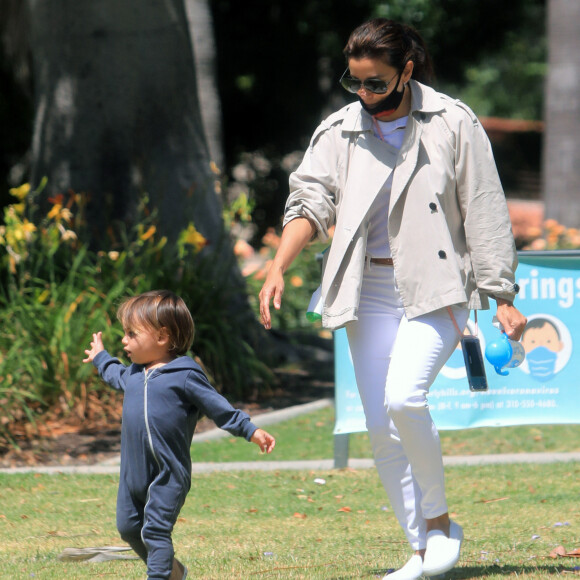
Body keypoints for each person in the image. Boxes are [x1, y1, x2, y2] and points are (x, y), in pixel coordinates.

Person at [259, 18, 526, 580]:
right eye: (354, 82)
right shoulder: (339, 130)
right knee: (380, 424)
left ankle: (440, 524)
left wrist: (500, 292)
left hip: (437, 285)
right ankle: (420, 552)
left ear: (406, 71)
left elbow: (483, 206)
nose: (364, 94)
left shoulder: (454, 121)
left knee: (404, 399)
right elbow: (309, 201)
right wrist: (278, 266)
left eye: (376, 83)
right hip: (367, 287)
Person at [83, 290, 276, 580]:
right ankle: (175, 572)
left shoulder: (185, 375)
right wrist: (101, 357)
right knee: (128, 528)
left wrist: (250, 429)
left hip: (168, 473)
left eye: (132, 334)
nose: (124, 340)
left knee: (156, 530)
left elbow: (218, 408)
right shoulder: (134, 374)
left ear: (162, 337)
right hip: (132, 474)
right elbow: (114, 373)